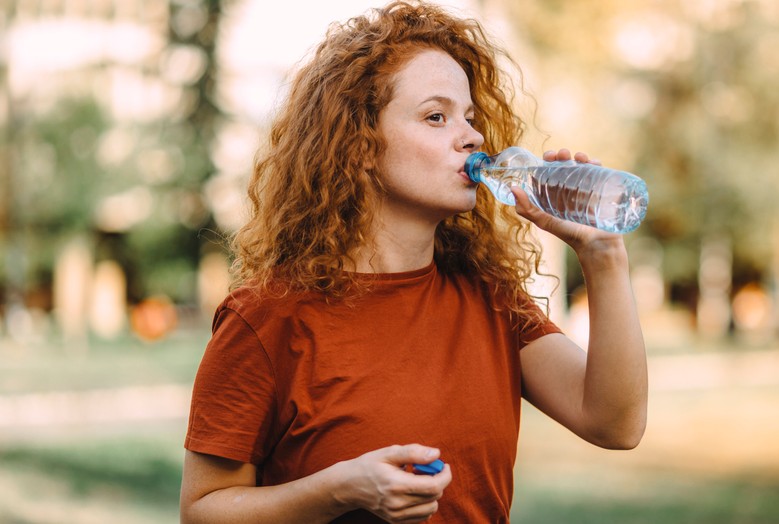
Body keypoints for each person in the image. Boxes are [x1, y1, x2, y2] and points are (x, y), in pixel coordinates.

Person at [179, 1, 648, 522]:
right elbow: (203, 510)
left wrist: (603, 258)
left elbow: (614, 424)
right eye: (436, 116)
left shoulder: (488, 299)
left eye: (470, 117)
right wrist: (338, 490)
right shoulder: (266, 317)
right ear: (358, 146)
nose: (472, 136)